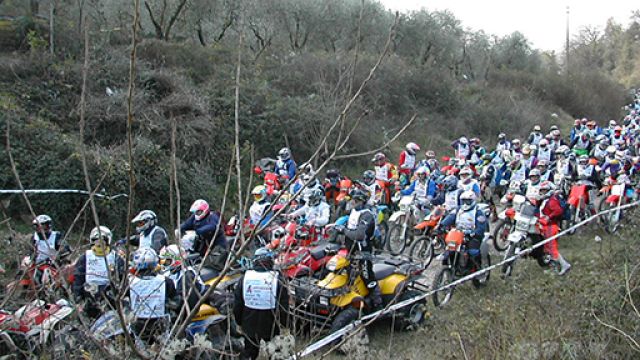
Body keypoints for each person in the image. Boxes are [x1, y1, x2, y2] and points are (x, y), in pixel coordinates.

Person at [233, 248, 289, 360]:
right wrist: (285, 325)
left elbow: (238, 303)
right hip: (271, 324)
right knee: (275, 353)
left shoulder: (245, 278)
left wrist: (238, 322)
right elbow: (283, 306)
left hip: (249, 323)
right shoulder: (277, 279)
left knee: (249, 353)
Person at [335, 189, 382, 309]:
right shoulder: (353, 212)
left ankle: (378, 304)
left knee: (367, 277)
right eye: (352, 200)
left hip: (363, 251)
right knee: (345, 273)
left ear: (362, 201)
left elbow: (359, 235)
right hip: (350, 249)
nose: (353, 202)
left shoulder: (367, 215)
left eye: (356, 200)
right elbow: (348, 226)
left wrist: (344, 230)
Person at [73, 226, 125, 319]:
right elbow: (78, 279)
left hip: (110, 296)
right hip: (90, 295)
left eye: (102, 241)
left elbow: (123, 279)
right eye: (95, 240)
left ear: (108, 241)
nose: (99, 243)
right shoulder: (85, 257)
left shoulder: (116, 258)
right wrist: (78, 298)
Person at [129, 248, 177, 342]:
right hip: (161, 325)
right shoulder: (166, 281)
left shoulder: (130, 282)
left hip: (138, 325)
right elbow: (175, 302)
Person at [438, 191, 487, 265]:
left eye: (467, 201)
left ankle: (478, 268)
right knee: (449, 249)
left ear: (473, 201)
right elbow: (450, 217)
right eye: (463, 201)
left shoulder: (478, 212)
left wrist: (474, 232)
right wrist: (441, 226)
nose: (465, 204)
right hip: (458, 234)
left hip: (472, 236)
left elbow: (481, 227)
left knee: (472, 252)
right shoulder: (458, 209)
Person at [180, 199, 228, 269]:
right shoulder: (195, 217)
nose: (197, 214)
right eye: (196, 212)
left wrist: (198, 231)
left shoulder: (212, 216)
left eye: (199, 212)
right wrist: (179, 228)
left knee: (213, 263)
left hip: (217, 245)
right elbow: (187, 224)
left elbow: (213, 226)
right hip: (203, 244)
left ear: (204, 210)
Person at [538, 181, 571, 275]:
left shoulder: (552, 200)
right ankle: (560, 265)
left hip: (550, 226)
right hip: (546, 226)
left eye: (545, 190)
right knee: (548, 248)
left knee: (551, 248)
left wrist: (549, 217)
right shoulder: (545, 200)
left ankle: (561, 266)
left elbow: (558, 210)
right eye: (542, 191)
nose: (543, 192)